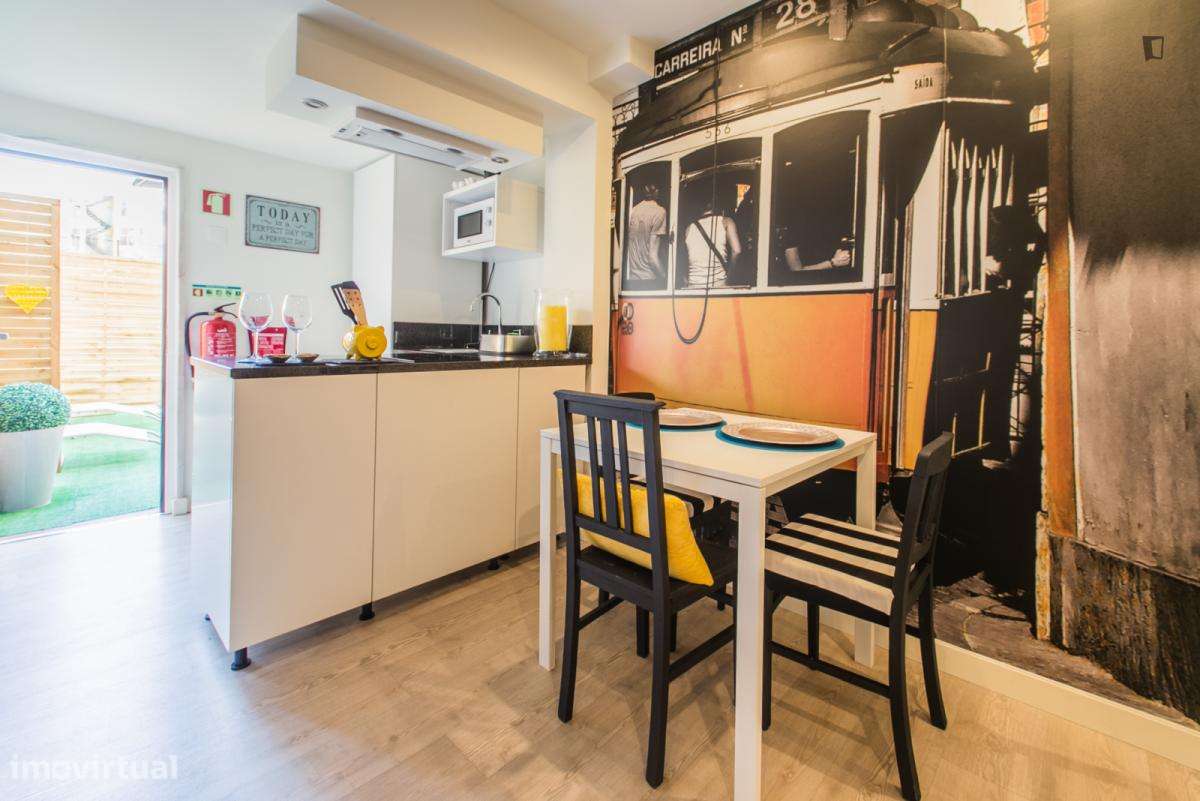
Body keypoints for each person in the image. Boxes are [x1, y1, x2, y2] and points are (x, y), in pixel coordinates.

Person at [684, 198, 742, 288]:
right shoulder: (726, 222)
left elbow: (685, 261)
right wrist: (729, 279)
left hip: (693, 286)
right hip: (718, 285)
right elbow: (737, 251)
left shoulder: (689, 228)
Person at [624, 183, 668, 287]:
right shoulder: (659, 212)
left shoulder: (633, 210)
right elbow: (652, 258)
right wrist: (667, 278)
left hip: (633, 279)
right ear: (657, 191)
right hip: (650, 279)